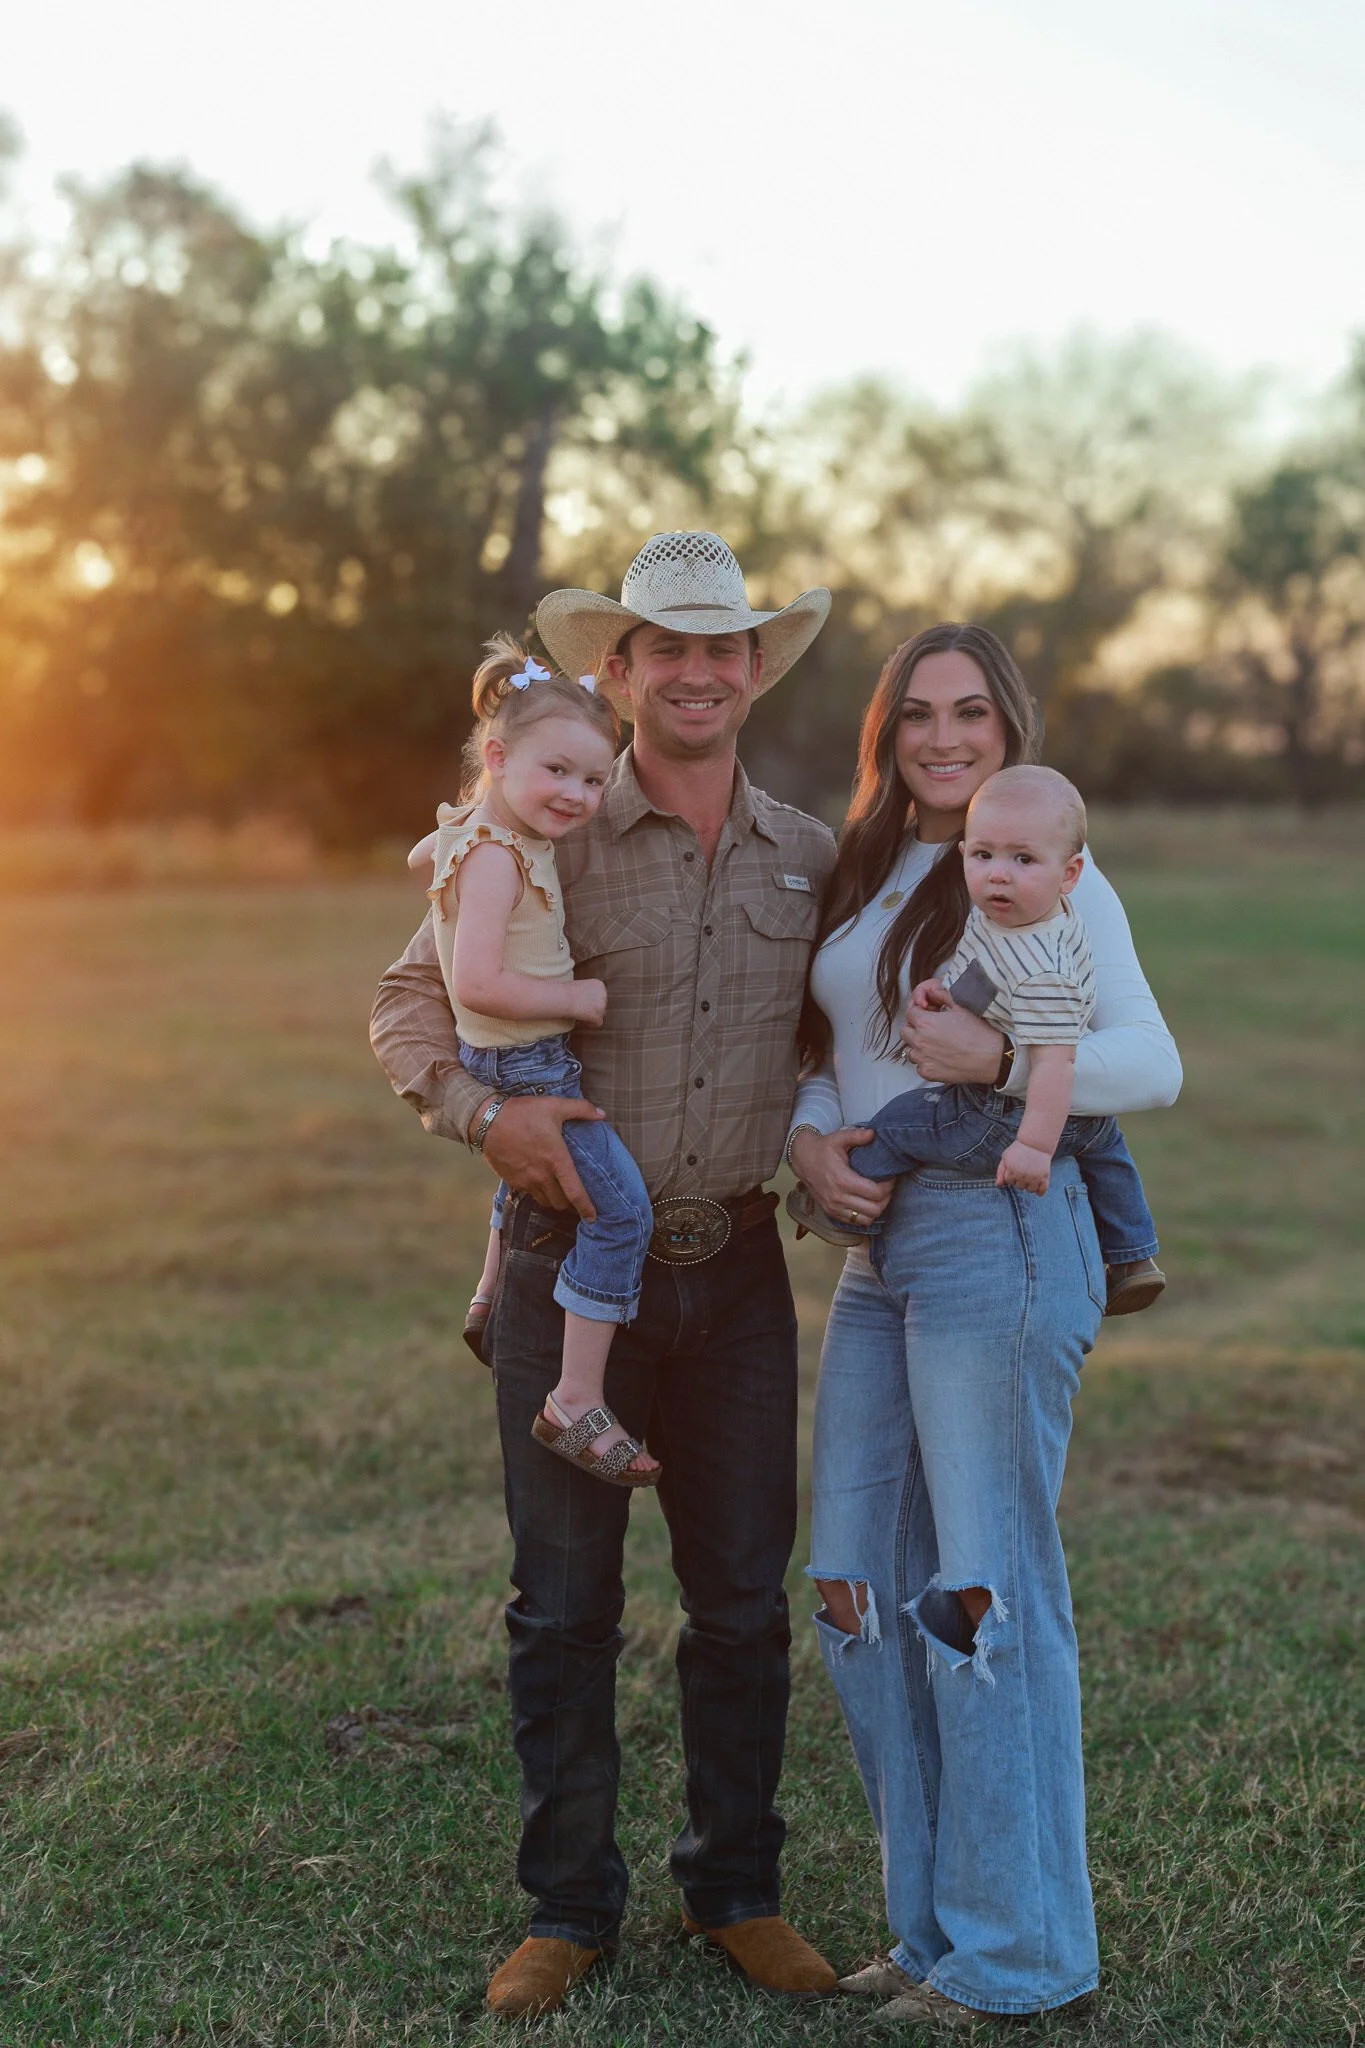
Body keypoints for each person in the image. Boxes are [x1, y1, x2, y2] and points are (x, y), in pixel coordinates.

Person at [370, 532, 841, 2019]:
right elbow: (405, 1001)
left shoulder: (811, 857)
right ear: (619, 670)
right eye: (664, 648)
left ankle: (735, 1890)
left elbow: (852, 1030)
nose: (697, 672)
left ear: (752, 668)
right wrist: (483, 1114)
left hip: (740, 1270)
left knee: (741, 1603)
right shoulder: (545, 816)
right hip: (579, 1262)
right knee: (562, 1605)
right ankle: (568, 1907)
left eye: (724, 647)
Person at [786, 623, 1181, 2024]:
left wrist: (1011, 1059)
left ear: (1008, 728)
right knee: (856, 1587)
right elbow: (827, 1048)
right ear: (886, 736)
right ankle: (932, 1930)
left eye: (969, 715)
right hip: (875, 1255)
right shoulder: (867, 869)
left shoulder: (1052, 873)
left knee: (981, 1594)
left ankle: (1022, 1955)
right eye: (916, 719)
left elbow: (1153, 1058)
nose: (943, 741)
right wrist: (810, 1144)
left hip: (997, 1239)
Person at [790, 762, 1165, 1317]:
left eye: (1023, 860)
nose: (998, 876)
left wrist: (1033, 1146)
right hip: (1062, 1111)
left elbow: (1059, 1065)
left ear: (1070, 875)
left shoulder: (1044, 970)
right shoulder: (1011, 919)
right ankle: (1134, 1255)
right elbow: (980, 973)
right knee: (1104, 1144)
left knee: (901, 1123)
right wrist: (942, 995)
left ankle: (846, 1209)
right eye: (983, 856)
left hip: (1008, 1117)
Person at [427, 633, 658, 1484]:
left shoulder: (473, 830)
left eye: (595, 779)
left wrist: (446, 841)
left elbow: (429, 850)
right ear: (496, 755)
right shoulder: (496, 857)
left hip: (506, 1061)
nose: (578, 794)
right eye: (556, 771)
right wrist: (575, 998)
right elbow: (479, 981)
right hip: (527, 1062)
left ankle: (488, 1295)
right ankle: (575, 1397)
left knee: (519, 1183)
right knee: (619, 1212)